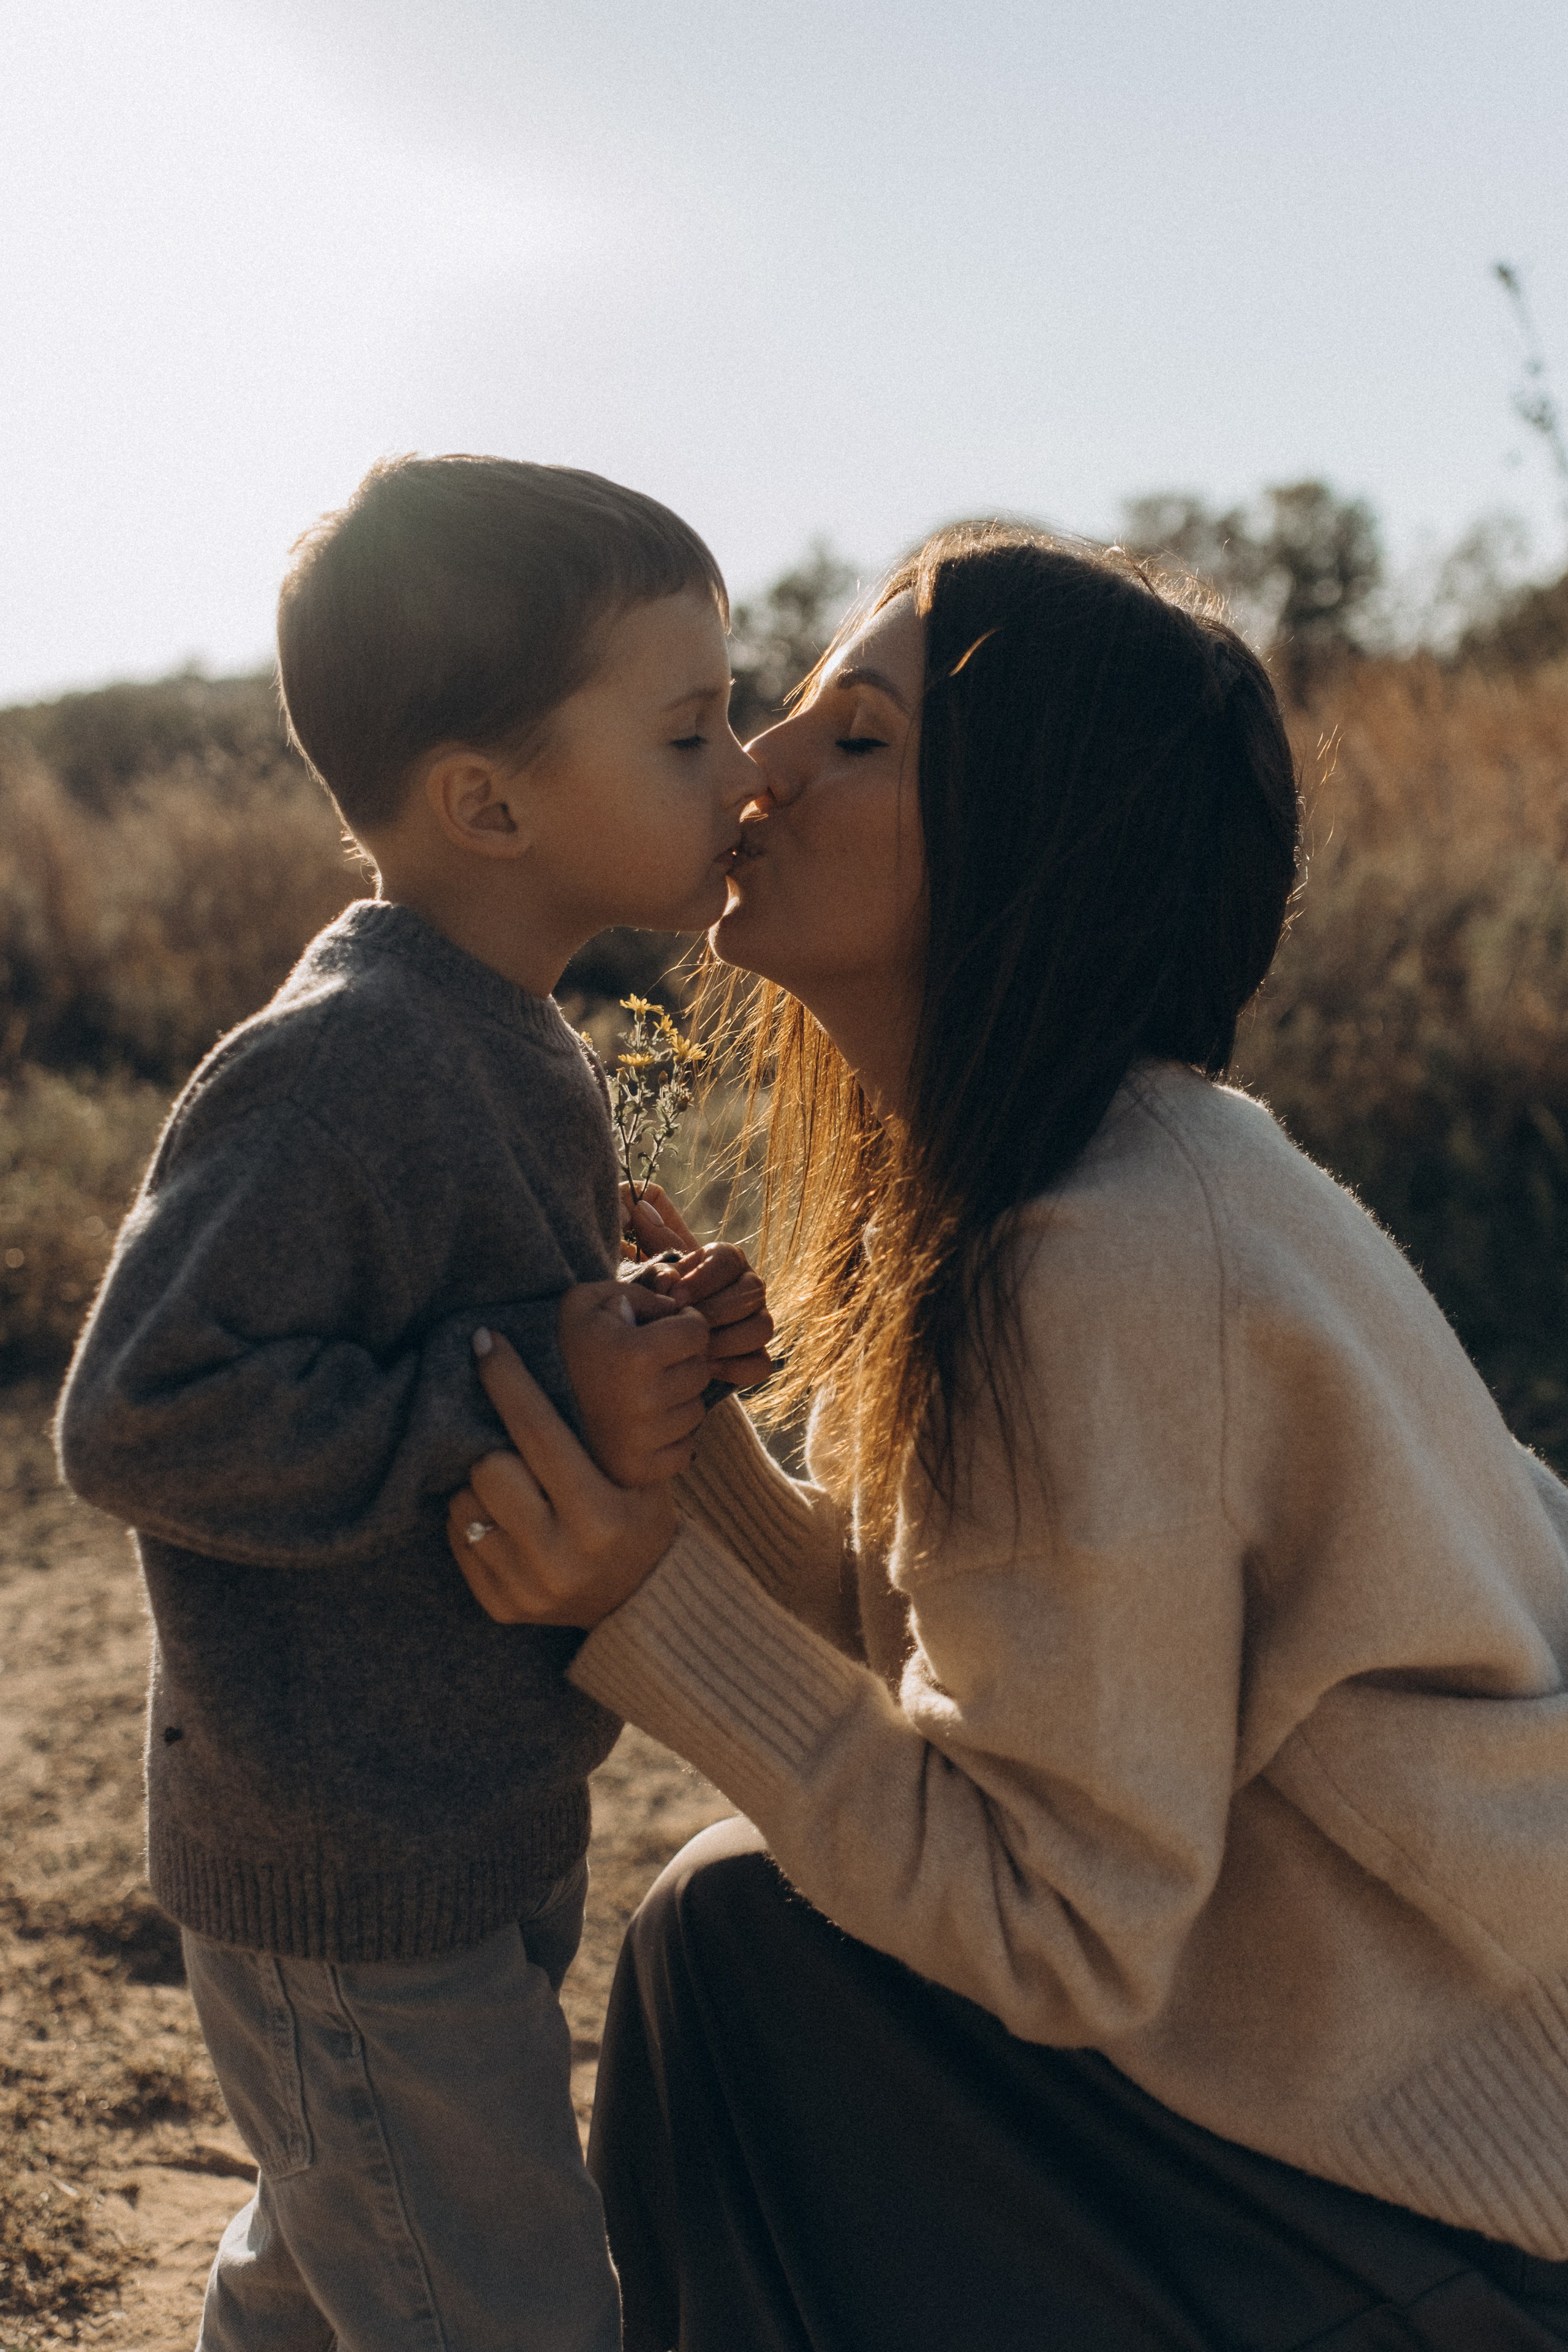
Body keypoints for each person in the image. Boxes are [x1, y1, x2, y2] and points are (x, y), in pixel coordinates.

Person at [450, 521, 1568, 2350]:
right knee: (745, 1931)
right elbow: (977, 1687)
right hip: (1375, 2161)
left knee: (745, 1955)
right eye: (785, 709)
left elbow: (1058, 1924)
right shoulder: (1099, 1180)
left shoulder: (1112, 1259)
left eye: (860, 738)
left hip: (1471, 2248)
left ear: (1033, 844)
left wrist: (642, 1598)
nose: (760, 765)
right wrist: (696, 1453)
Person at [55, 454, 773, 2352]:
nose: (749, 771)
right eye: (694, 732)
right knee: (509, 2305)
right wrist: (535, 1379)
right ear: (490, 800)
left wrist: (655, 1333)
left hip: (471, 1813)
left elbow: (483, 1325)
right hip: (345, 1872)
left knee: (342, 2242)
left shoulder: (520, 1035)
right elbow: (136, 1414)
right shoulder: (342, 1056)